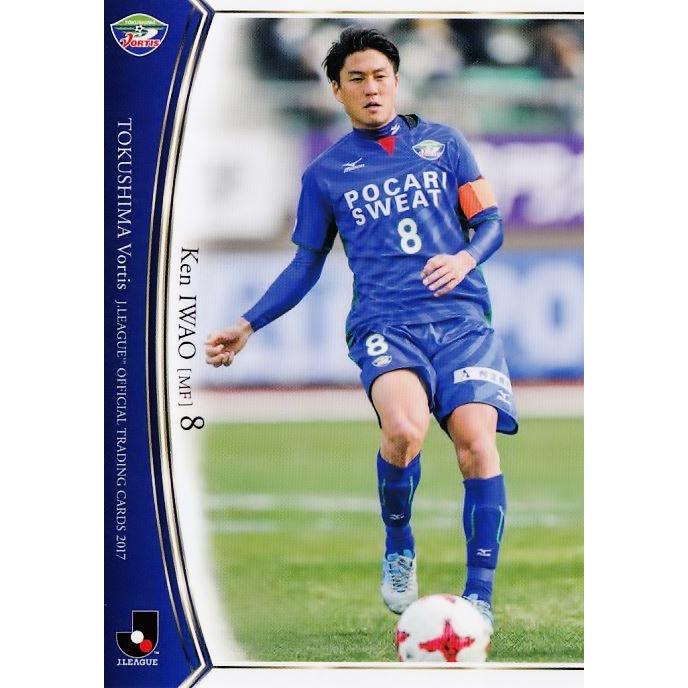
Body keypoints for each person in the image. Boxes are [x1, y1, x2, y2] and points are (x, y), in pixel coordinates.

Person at [205, 26, 518, 632]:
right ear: (336, 90)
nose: (371, 88)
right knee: (403, 431)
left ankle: (478, 595)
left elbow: (491, 225)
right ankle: (399, 544)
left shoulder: (446, 144)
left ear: (396, 81)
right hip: (385, 324)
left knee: (477, 444)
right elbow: (305, 263)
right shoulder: (325, 174)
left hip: (461, 321)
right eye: (357, 79)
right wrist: (247, 324)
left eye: (380, 76)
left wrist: (465, 259)